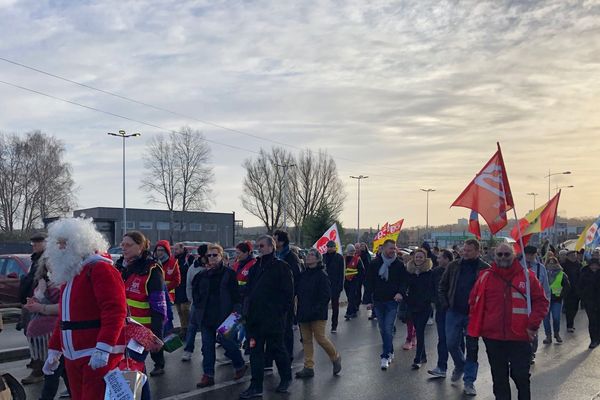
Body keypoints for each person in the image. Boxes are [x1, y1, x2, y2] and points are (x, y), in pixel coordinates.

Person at [43, 218, 127, 400]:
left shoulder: (100, 269)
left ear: (80, 243)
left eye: (65, 244)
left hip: (95, 352)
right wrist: (54, 349)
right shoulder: (70, 274)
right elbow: (64, 319)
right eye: (58, 244)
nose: (60, 248)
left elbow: (115, 311)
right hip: (73, 355)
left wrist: (104, 347)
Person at [468, 243, 549, 400]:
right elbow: (474, 302)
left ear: (514, 255)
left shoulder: (527, 276)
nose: (503, 257)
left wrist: (533, 326)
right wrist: (476, 328)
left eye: (507, 254)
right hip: (493, 337)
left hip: (520, 335)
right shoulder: (485, 277)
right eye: (500, 255)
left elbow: (541, 302)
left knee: (520, 376)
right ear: (495, 256)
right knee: (499, 378)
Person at [239, 235, 293, 399]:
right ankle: (256, 386)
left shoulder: (281, 267)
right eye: (257, 246)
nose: (258, 249)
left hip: (273, 319)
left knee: (277, 350)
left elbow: (288, 294)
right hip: (255, 320)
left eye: (261, 246)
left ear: (271, 247)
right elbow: (249, 291)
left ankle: (286, 378)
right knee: (255, 353)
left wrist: (279, 313)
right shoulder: (256, 267)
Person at [438, 239, 489, 396]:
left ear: (477, 251)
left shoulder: (485, 269)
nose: (464, 252)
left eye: (468, 250)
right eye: (463, 250)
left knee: (472, 347)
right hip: (454, 311)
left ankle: (469, 381)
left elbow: (490, 292)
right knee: (451, 342)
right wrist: (445, 303)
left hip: (473, 314)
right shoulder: (454, 266)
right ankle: (460, 365)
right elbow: (442, 286)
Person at [192, 244, 246, 388]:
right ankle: (208, 375)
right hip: (207, 316)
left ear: (221, 256)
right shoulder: (201, 275)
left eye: (215, 255)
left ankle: (239, 365)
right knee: (207, 347)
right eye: (209, 255)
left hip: (227, 315)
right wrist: (198, 310)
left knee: (228, 343)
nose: (211, 258)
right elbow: (195, 294)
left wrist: (236, 314)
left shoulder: (229, 273)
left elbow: (236, 296)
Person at [121, 230, 166, 399]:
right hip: (125, 329)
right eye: (122, 244)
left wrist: (156, 336)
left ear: (140, 247)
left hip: (142, 330)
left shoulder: (152, 270)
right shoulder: (124, 266)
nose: (124, 248)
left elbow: (159, 307)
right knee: (136, 367)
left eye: (128, 245)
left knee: (132, 367)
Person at [295, 248, 342, 379]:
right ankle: (308, 367)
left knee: (320, 338)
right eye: (308, 255)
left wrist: (315, 309)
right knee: (306, 340)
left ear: (317, 259)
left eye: (311, 255)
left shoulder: (322, 275)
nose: (308, 257)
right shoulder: (303, 275)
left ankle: (335, 357)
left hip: (317, 314)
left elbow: (326, 296)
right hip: (303, 312)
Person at [363, 239, 408, 370]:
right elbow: (369, 282)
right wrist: (368, 300)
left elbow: (403, 282)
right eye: (390, 248)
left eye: (394, 249)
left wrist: (400, 293)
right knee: (383, 329)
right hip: (378, 301)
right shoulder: (375, 264)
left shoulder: (399, 265)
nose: (392, 251)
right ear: (383, 249)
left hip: (392, 301)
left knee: (388, 327)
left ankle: (385, 356)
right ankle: (390, 349)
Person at [21, 257, 60, 386]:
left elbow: (64, 307)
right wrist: (33, 302)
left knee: (56, 369)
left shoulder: (64, 281)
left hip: (57, 327)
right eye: (48, 263)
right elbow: (36, 299)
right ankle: (38, 369)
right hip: (40, 327)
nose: (50, 265)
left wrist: (40, 307)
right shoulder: (42, 282)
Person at [405, 248, 436, 370]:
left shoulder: (430, 273)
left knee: (420, 332)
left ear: (425, 259)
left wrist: (430, 300)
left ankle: (417, 359)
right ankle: (423, 356)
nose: (418, 259)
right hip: (412, 305)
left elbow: (433, 288)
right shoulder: (409, 272)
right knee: (417, 329)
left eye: (421, 257)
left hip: (424, 306)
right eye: (417, 257)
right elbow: (405, 286)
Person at [273, 230, 302, 360]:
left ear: (282, 242)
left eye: (275, 240)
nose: (273, 242)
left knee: (286, 328)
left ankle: (288, 355)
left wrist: (290, 296)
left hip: (287, 299)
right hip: (274, 298)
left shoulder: (291, 257)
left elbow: (296, 278)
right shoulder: (275, 255)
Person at [428, 249, 454, 378]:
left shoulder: (456, 271)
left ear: (448, 259)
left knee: (457, 340)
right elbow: (432, 288)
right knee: (442, 339)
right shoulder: (435, 272)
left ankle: (459, 366)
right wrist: (434, 301)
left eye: (440, 258)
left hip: (455, 310)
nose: (438, 260)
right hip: (441, 310)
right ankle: (441, 367)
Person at [522, 245, 550, 364]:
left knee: (533, 328)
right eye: (527, 254)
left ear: (535, 255)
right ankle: (522, 351)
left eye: (531, 254)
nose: (528, 257)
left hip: (535, 302)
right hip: (521, 302)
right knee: (521, 329)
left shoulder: (540, 268)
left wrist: (545, 306)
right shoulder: (518, 266)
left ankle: (531, 352)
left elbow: (546, 288)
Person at [181, 244, 208, 361]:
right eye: (209, 254)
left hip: (212, 304)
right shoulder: (194, 268)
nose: (211, 257)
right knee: (192, 327)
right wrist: (192, 300)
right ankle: (188, 350)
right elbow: (189, 286)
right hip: (197, 303)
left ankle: (208, 350)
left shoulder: (214, 266)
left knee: (209, 329)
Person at [18, 233, 46, 343]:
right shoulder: (35, 259)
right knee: (29, 331)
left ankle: (39, 358)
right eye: (33, 244)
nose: (33, 246)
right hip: (30, 299)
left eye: (36, 244)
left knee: (37, 335)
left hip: (38, 299)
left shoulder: (46, 259)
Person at [232, 241, 257, 352]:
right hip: (236, 301)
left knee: (248, 328)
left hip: (247, 301)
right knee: (229, 328)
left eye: (239, 253)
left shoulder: (254, 264)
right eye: (236, 253)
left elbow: (252, 284)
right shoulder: (236, 264)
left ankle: (250, 349)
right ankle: (234, 349)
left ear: (247, 252)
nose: (237, 255)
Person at [542, 257, 570, 344]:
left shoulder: (562, 274)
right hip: (545, 300)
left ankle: (556, 333)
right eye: (549, 263)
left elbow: (567, 286)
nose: (551, 265)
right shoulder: (543, 273)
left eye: (553, 263)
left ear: (557, 264)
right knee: (546, 319)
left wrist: (561, 295)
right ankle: (548, 336)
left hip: (556, 300)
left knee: (556, 318)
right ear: (547, 264)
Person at [173, 243, 195, 339]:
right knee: (179, 310)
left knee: (184, 309)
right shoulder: (174, 259)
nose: (175, 251)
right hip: (177, 288)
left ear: (182, 248)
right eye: (174, 249)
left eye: (177, 249)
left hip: (186, 286)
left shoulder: (188, 258)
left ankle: (189, 328)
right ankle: (184, 329)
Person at [578, 258, 600, 348]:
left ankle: (598, 338)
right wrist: (583, 296)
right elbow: (579, 286)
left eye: (596, 265)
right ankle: (593, 340)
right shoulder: (584, 273)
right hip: (589, 301)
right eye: (592, 265)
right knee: (592, 320)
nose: (594, 267)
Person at [323, 240, 345, 333]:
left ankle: (334, 325)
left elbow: (341, 273)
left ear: (334, 247)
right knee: (323, 306)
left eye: (331, 247)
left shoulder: (339, 258)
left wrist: (340, 286)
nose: (329, 248)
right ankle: (322, 325)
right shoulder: (323, 257)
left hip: (335, 285)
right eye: (328, 247)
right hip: (324, 285)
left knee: (335, 306)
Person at [344, 244, 365, 320]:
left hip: (354, 281)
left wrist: (358, 280)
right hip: (346, 281)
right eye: (350, 251)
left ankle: (349, 312)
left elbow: (362, 271)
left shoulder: (357, 259)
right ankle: (354, 310)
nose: (351, 253)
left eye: (352, 251)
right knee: (349, 297)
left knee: (351, 296)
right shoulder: (344, 259)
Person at [563, 250, 582, 332]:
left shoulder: (579, 265)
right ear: (567, 257)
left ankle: (571, 323)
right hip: (567, 290)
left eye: (574, 255)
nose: (573, 257)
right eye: (571, 255)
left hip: (577, 290)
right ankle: (569, 325)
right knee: (568, 308)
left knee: (575, 308)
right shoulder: (564, 265)